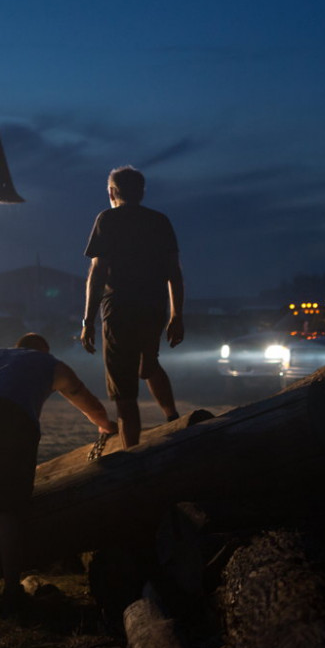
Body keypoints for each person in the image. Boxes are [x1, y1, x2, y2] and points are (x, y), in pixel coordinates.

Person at [0, 333, 115, 613]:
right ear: (44, 350)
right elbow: (85, 400)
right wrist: (106, 426)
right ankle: (12, 589)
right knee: (8, 506)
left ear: (17, 347)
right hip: (14, 418)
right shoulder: (51, 364)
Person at [81, 165, 185, 449]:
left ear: (112, 192)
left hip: (119, 309)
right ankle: (173, 417)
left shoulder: (107, 219)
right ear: (141, 192)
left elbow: (98, 272)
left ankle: (131, 456)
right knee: (148, 364)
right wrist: (176, 315)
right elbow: (173, 272)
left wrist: (87, 320)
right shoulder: (159, 221)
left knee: (124, 393)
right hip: (153, 308)